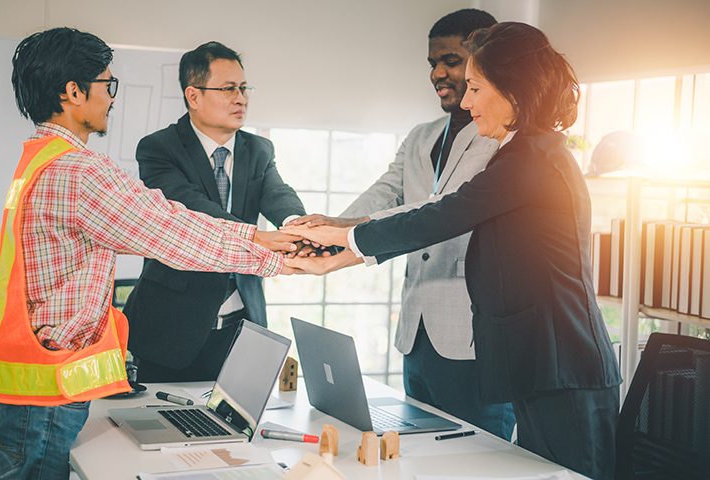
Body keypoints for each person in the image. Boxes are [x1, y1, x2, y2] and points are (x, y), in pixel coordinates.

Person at [284, 22, 622, 480]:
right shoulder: (523, 152)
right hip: (540, 359)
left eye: (477, 88)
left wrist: (347, 246)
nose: (465, 101)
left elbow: (444, 214)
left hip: (563, 363)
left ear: (514, 91)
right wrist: (344, 242)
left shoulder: (532, 158)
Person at [0, 28, 297, 480]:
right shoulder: (78, 171)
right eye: (108, 85)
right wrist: (285, 257)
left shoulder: (38, 158)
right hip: (43, 395)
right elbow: (172, 231)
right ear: (73, 92)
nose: (112, 98)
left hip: (19, 389)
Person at [286, 9, 514, 440]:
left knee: (481, 459)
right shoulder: (422, 136)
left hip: (472, 339)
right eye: (432, 63)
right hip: (417, 335)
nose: (438, 73)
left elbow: (441, 213)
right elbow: (385, 194)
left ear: (484, 59)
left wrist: (343, 236)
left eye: (450, 60)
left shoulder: (501, 141)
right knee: (421, 456)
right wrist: (325, 231)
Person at [122, 42, 307, 383]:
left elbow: (276, 192)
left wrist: (297, 226)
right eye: (228, 89)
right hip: (170, 328)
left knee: (236, 430)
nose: (241, 98)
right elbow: (192, 208)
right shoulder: (159, 148)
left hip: (241, 326)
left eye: (243, 88)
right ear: (193, 96)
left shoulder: (259, 149)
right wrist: (261, 238)